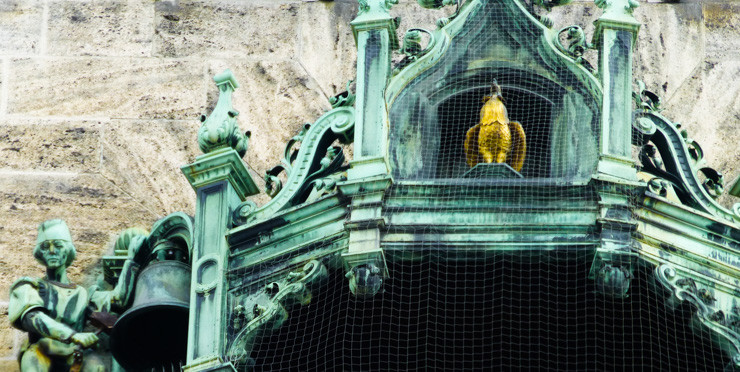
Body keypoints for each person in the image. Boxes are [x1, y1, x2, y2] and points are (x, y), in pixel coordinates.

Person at [8, 219, 149, 372]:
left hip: (75, 356)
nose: (52, 251)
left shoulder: (83, 294)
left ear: (67, 250)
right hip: (41, 353)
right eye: (45, 247)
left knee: (97, 367)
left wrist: (132, 261)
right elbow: (33, 318)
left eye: (58, 245)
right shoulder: (30, 286)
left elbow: (119, 299)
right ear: (39, 253)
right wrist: (73, 335)